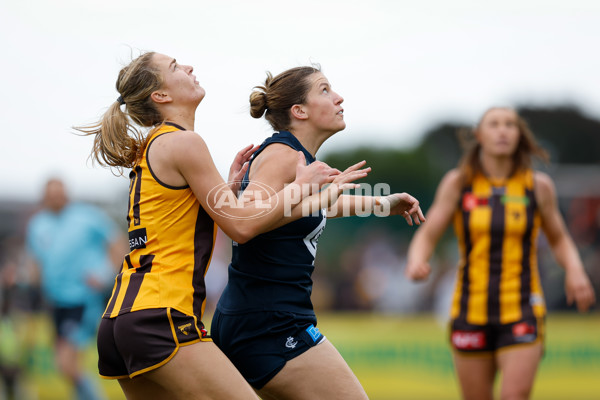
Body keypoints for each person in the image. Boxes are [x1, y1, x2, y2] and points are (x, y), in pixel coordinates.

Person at [74, 51, 368, 400]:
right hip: (161, 316)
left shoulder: (157, 144)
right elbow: (241, 227)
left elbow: (182, 218)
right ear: (161, 96)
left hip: (120, 319)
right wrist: (303, 188)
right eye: (175, 67)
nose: (189, 67)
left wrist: (229, 190)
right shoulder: (185, 142)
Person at [211, 65, 426, 400]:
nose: (339, 98)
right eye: (325, 90)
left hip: (263, 318)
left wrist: (385, 203)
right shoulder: (282, 156)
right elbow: (245, 224)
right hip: (268, 323)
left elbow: (304, 210)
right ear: (299, 111)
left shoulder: (298, 159)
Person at [405, 107, 596, 400]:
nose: (503, 130)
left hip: (522, 307)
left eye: (510, 125)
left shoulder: (538, 186)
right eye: (494, 124)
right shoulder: (458, 183)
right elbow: (428, 233)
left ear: (520, 136)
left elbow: (559, 238)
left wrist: (575, 270)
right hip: (470, 309)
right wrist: (417, 259)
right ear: (479, 135)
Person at [25, 178, 126, 400]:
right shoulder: (37, 225)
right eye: (50, 195)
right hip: (55, 302)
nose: (56, 198)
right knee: (63, 365)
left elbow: (117, 243)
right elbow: (35, 263)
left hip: (82, 299)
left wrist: (103, 274)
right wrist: (30, 291)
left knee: (66, 362)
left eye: (59, 194)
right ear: (44, 197)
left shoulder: (86, 217)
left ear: (66, 194)